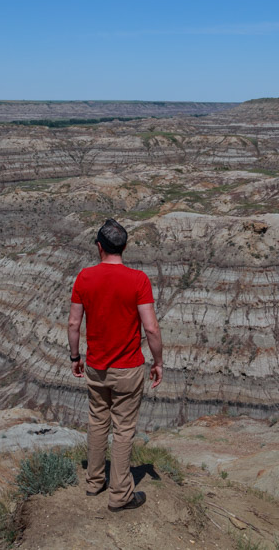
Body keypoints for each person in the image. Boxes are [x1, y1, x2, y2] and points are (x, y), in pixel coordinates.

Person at [68, 218, 163, 512]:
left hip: (96, 366)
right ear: (124, 247)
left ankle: (95, 481)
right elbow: (151, 329)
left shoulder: (84, 278)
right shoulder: (138, 280)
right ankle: (120, 495)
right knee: (123, 430)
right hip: (129, 368)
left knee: (98, 421)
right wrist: (158, 361)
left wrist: (75, 357)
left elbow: (73, 322)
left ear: (99, 247)